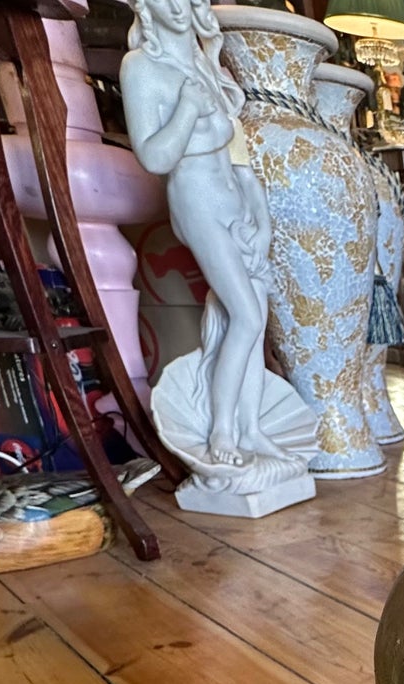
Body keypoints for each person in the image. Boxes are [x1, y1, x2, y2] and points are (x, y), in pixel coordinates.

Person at [121, 0, 280, 470]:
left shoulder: (204, 61)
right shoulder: (141, 68)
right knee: (245, 317)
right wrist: (188, 108)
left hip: (235, 203)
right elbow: (154, 158)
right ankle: (222, 432)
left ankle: (251, 429)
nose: (176, 6)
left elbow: (241, 164)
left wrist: (262, 222)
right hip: (197, 205)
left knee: (256, 316)